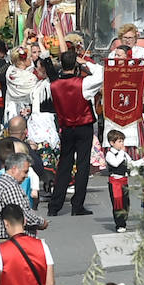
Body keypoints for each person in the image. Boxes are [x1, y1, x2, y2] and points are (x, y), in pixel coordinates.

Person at [48, 51, 98, 218]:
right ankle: (77, 205)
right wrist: (86, 63)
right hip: (84, 125)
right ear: (76, 65)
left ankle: (54, 205)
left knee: (64, 165)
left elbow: (48, 67)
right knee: (82, 165)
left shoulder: (54, 84)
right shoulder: (84, 83)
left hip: (66, 127)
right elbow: (102, 73)